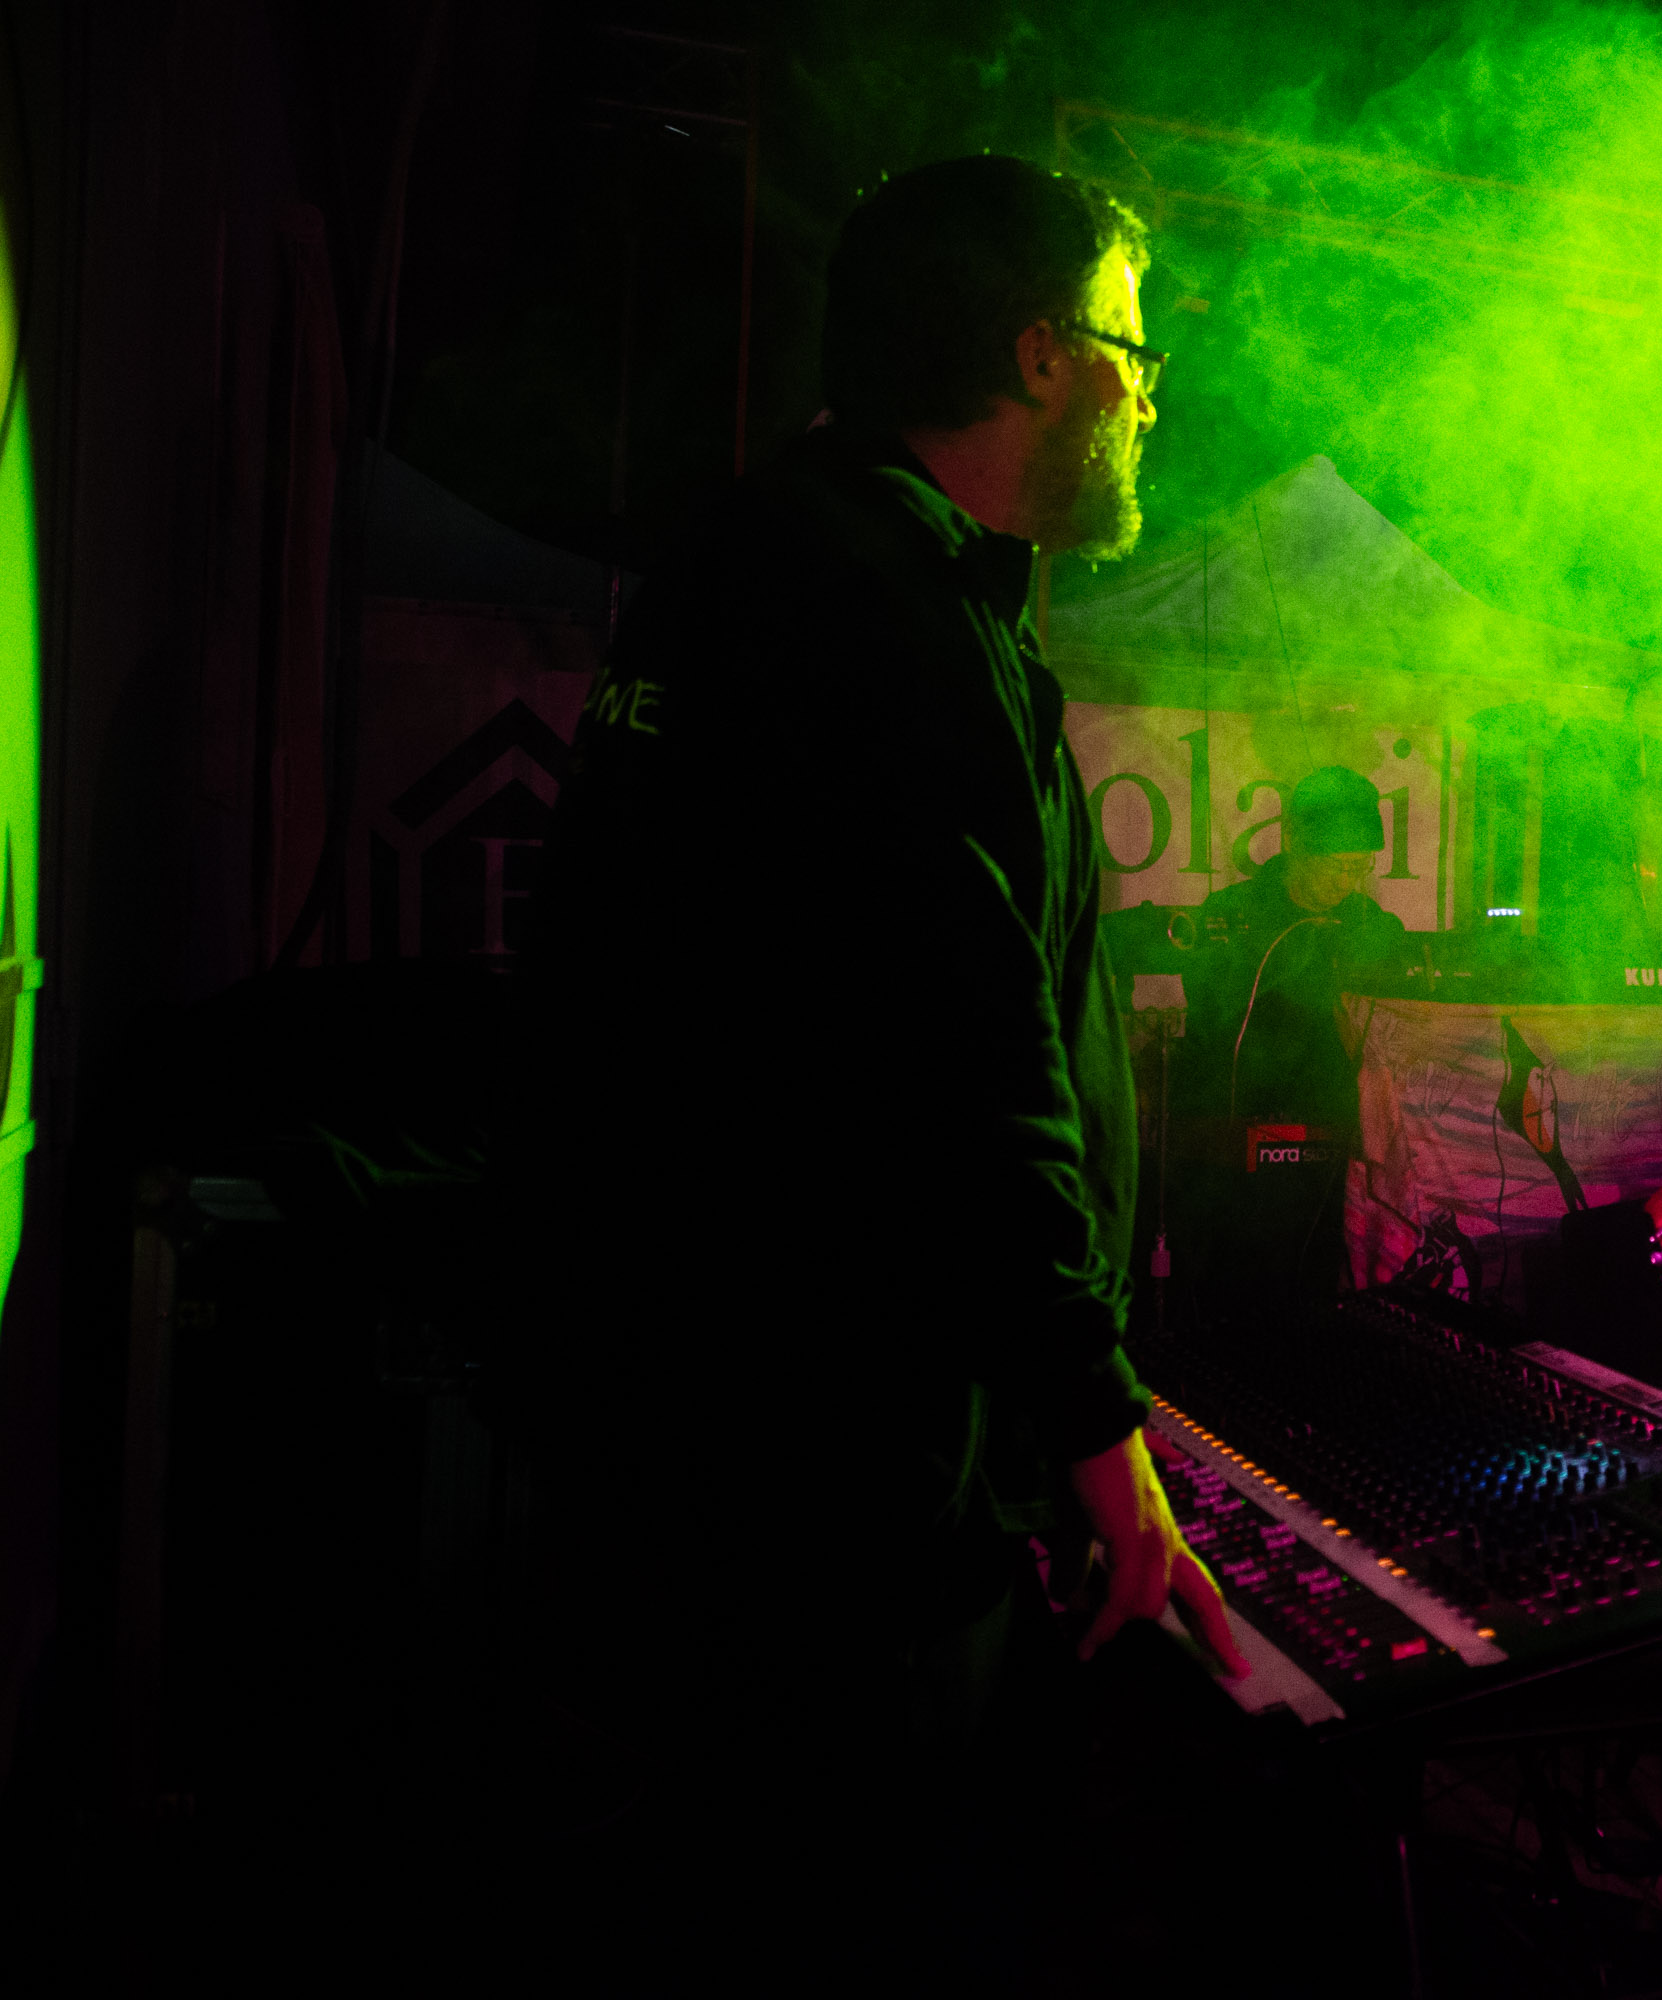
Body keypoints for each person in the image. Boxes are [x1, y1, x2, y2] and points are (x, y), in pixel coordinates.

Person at [514, 156, 1250, 1980]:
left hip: (722, 1451)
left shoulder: (756, 561)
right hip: (845, 1498)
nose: (1151, 396)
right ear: (1040, 356)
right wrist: (1094, 1432)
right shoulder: (886, 618)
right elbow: (967, 1057)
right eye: (1133, 349)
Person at [1171, 765, 1413, 1312]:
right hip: (1241, 1153)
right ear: (1294, 843)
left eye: (1359, 866)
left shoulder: (1370, 925)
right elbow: (1210, 1019)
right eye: (1336, 865)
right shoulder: (1231, 916)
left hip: (1337, 1151)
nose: (1346, 881)